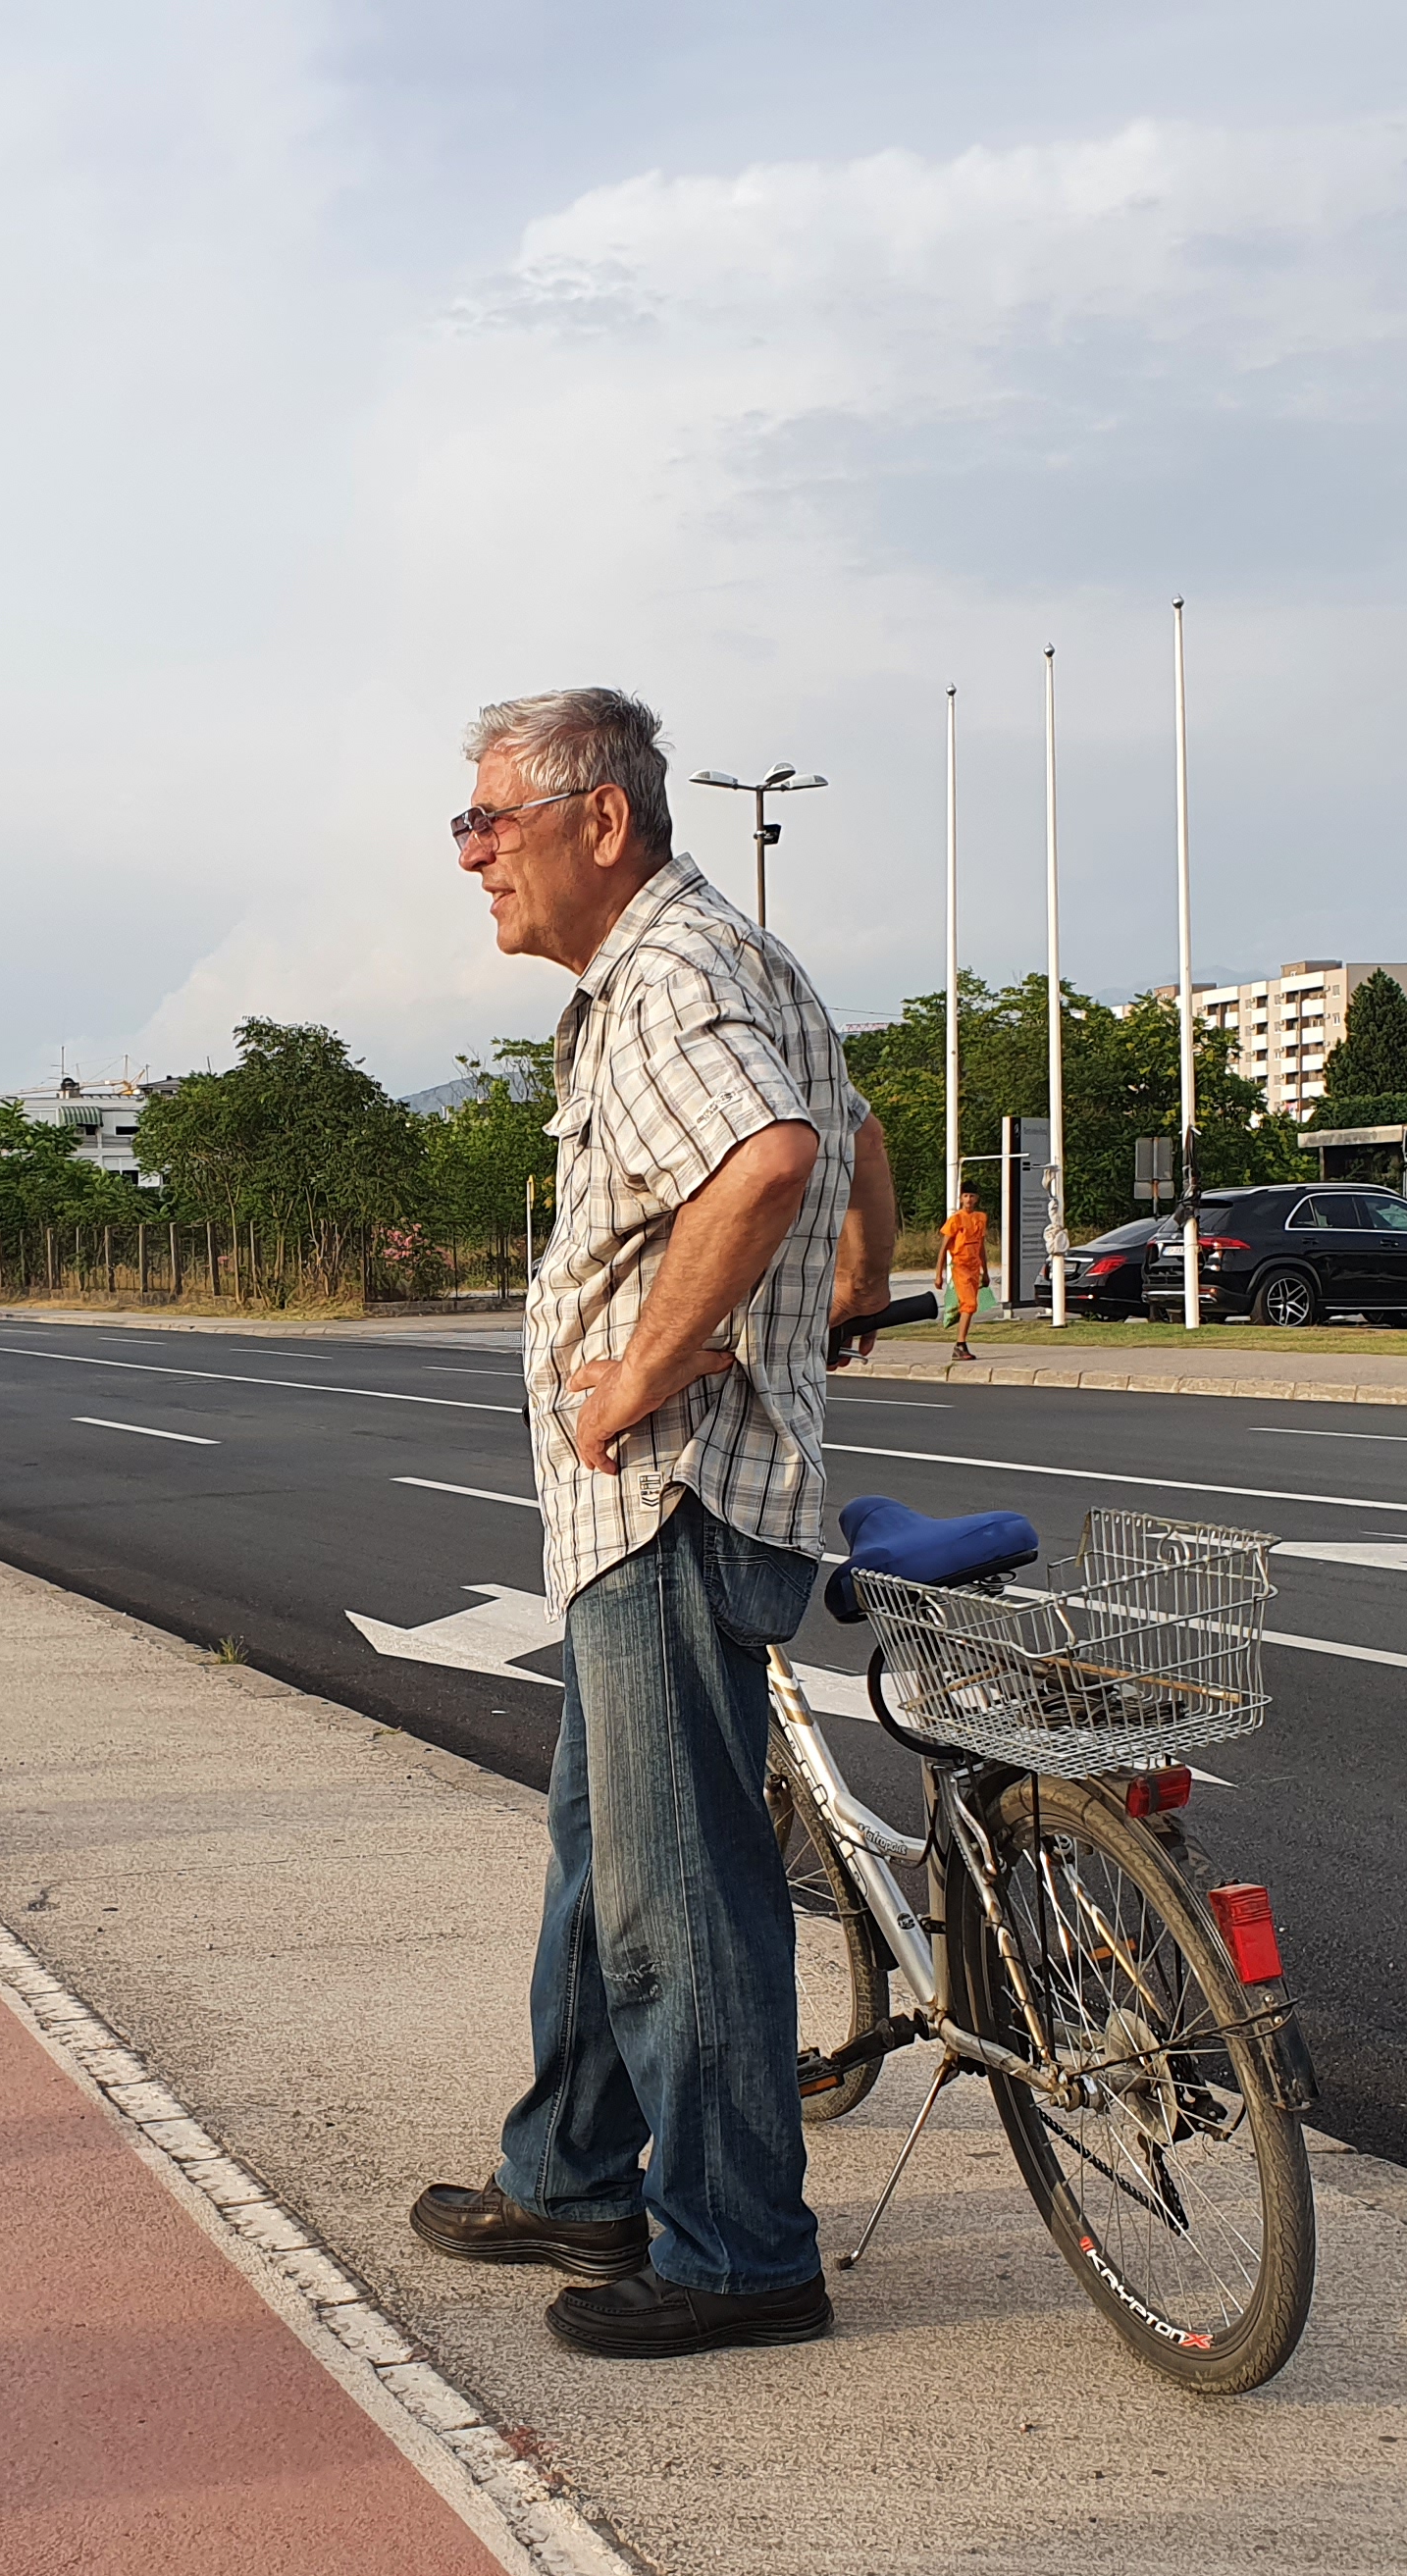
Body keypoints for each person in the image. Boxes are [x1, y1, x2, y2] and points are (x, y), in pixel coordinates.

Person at [408, 687, 897, 2361]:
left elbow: (765, 1157)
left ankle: (739, 2244)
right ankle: (572, 2170)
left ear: (597, 822)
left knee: (673, 1892)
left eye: (490, 819)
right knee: (596, 1852)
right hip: (653, 1499)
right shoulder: (739, 959)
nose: (467, 850)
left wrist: (639, 1379)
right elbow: (853, 1133)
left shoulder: (668, 977)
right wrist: (856, 1279)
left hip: (669, 1488)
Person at [938, 1184, 992, 1357]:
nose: (969, 1200)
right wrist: (938, 1274)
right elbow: (944, 1248)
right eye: (966, 1196)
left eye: (972, 1196)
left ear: (977, 1199)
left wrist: (986, 1271)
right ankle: (960, 1345)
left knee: (968, 1306)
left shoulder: (980, 1218)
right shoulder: (956, 1219)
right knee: (970, 1305)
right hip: (960, 1266)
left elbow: (981, 1246)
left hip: (974, 1267)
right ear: (961, 1198)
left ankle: (960, 1342)